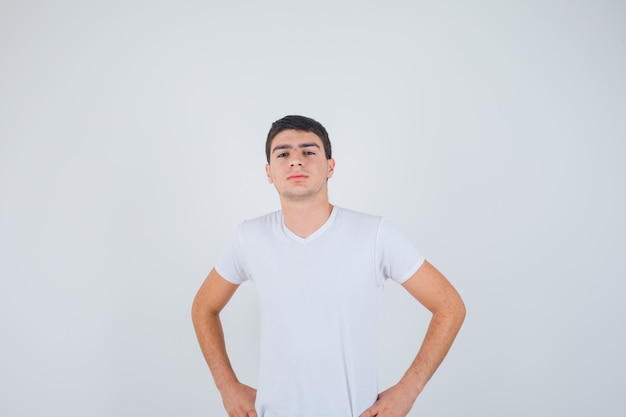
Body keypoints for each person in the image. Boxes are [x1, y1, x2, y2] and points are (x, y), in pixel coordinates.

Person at [191, 115, 466, 417]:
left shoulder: (375, 234)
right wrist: (226, 385)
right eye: (283, 154)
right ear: (269, 172)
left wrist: (408, 390)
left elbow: (449, 306)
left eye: (309, 151)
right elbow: (204, 307)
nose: (296, 161)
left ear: (330, 167)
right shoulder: (249, 237)